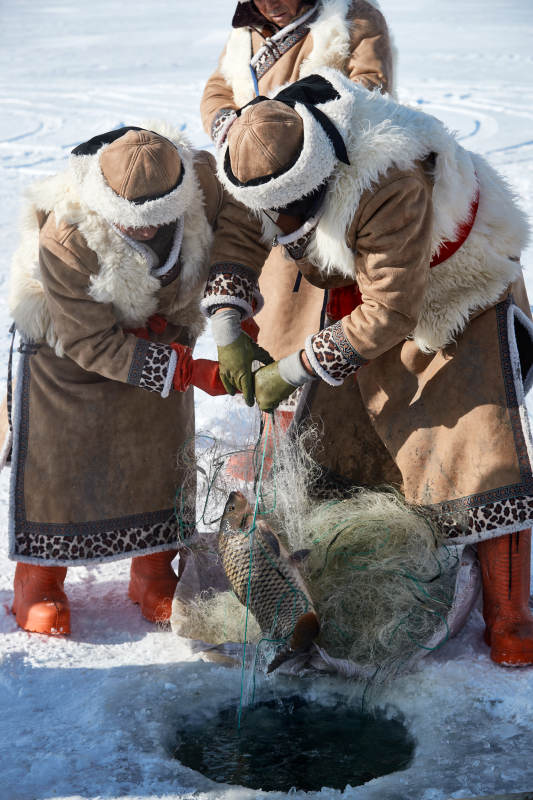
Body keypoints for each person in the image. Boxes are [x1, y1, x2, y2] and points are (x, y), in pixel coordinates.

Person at [204, 68, 533, 666]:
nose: (278, 224)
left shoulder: (389, 178)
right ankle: (317, 569)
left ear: (320, 176)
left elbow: (393, 310)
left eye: (289, 211)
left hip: (457, 284)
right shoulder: (264, 141)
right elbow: (240, 230)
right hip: (372, 283)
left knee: (476, 448)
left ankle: (510, 611)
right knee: (340, 432)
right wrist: (229, 326)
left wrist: (293, 367)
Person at [8, 124, 268, 635]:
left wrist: (235, 314)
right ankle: (38, 579)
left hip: (161, 322)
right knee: (62, 461)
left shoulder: (203, 181)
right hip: (69, 345)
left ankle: (152, 570)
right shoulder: (66, 235)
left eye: (158, 221)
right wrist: (189, 371)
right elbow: (90, 343)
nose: (147, 231)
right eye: (134, 224)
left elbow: (240, 227)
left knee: (159, 452)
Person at [201, 0, 395, 426]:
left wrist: (288, 131)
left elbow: (369, 90)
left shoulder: (353, 19)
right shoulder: (246, 34)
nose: (271, 4)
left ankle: (339, 440)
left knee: (338, 324)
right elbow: (218, 88)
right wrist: (233, 126)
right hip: (260, 192)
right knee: (272, 327)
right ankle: (274, 440)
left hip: (326, 197)